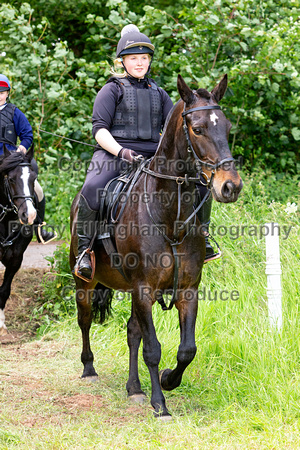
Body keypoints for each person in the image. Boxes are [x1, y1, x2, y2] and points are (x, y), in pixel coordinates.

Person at [74, 25, 219, 282]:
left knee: (201, 185)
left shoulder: (159, 93)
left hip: (153, 155)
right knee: (92, 187)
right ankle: (84, 251)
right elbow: (99, 131)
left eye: (144, 58)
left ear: (149, 60)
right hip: (114, 153)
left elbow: (174, 131)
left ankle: (203, 238)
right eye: (133, 58)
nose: (139, 63)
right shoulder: (111, 90)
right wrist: (122, 152)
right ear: (122, 61)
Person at [0, 74, 56, 243]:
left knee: (37, 189)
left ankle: (39, 227)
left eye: (2, 92)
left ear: (8, 93)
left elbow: (27, 135)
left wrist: (21, 150)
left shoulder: (15, 113)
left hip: (11, 160)